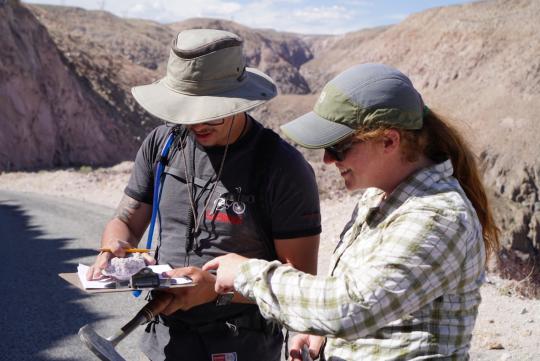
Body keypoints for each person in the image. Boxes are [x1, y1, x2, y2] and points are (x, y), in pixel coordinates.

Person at [204, 63, 500, 360]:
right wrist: (323, 331)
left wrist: (247, 273)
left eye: (339, 147)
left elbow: (352, 305)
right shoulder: (380, 195)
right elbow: (362, 296)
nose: (327, 160)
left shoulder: (437, 217)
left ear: (389, 140)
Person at [87, 29, 321, 361]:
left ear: (238, 99)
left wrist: (214, 291)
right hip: (164, 340)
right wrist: (114, 249)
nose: (197, 121)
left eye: (211, 109)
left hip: (241, 344)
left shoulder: (281, 167)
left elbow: (300, 284)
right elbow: (125, 219)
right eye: (186, 109)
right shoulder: (162, 144)